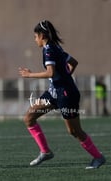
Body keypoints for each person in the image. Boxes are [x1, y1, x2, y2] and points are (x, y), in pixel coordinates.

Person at [18, 20, 105, 169]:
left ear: (42, 35)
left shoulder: (49, 50)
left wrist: (30, 75)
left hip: (66, 94)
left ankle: (98, 157)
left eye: (35, 36)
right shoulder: (54, 47)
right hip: (54, 92)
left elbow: (50, 72)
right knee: (29, 117)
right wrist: (64, 76)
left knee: (74, 131)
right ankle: (45, 152)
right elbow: (74, 62)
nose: (35, 40)